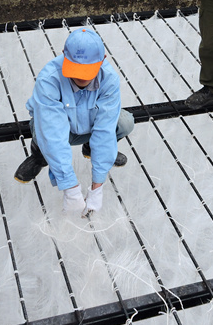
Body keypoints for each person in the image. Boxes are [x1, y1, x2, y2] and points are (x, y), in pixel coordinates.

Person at [14, 28, 134, 216]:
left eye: (87, 71)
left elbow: (104, 130)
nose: (81, 77)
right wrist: (70, 187)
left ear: (102, 60)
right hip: (58, 128)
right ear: (64, 56)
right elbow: (53, 134)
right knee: (42, 133)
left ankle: (90, 148)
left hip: (87, 125)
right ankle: (39, 157)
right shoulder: (49, 79)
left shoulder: (109, 79)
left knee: (125, 122)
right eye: (76, 70)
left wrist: (97, 186)